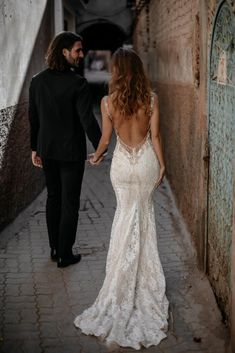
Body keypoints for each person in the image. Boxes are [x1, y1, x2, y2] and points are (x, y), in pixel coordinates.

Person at [74, 47, 169, 349]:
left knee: (124, 217)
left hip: (121, 167)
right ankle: (142, 282)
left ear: (116, 71)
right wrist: (163, 164)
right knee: (143, 219)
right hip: (144, 164)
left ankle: (119, 283)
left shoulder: (106, 102)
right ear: (138, 70)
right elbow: (155, 138)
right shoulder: (151, 99)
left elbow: (105, 139)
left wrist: (97, 156)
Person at [28, 32, 102, 268]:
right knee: (69, 203)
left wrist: (34, 148)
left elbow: (34, 119)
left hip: (47, 150)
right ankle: (64, 254)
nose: (81, 55)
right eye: (78, 50)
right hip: (70, 154)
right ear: (64, 52)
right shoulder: (77, 83)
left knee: (53, 198)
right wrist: (100, 146)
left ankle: (54, 248)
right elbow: (87, 120)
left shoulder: (37, 81)